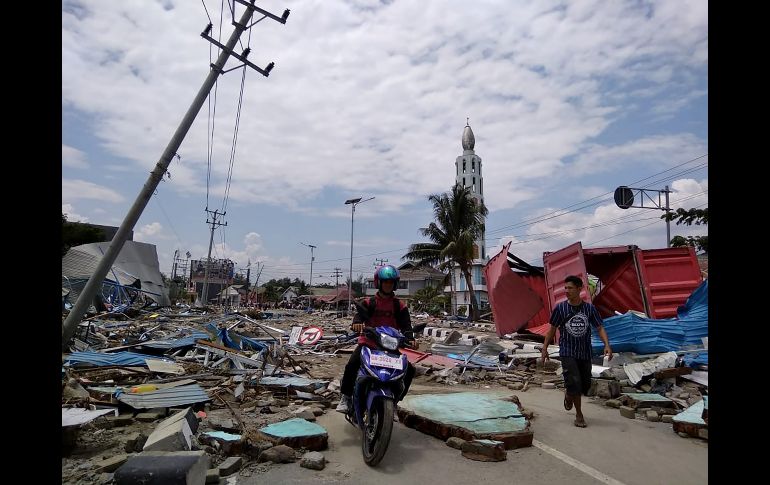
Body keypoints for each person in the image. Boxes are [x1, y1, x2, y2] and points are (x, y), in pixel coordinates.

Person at [335, 265, 416, 413]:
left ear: (395, 284)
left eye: (391, 282)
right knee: (352, 364)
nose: (388, 285)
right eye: (385, 282)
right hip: (368, 343)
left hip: (390, 347)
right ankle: (346, 397)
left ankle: (395, 402)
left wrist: (411, 338)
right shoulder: (369, 302)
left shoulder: (400, 306)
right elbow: (359, 315)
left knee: (409, 370)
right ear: (379, 283)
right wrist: (357, 324)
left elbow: (406, 326)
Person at [541, 275, 612, 428]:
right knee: (575, 381)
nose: (567, 291)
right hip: (567, 350)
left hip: (585, 352)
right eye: (565, 288)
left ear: (580, 289)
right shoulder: (560, 308)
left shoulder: (589, 309)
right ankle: (579, 414)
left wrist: (607, 345)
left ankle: (569, 393)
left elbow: (599, 327)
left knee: (585, 385)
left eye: (570, 288)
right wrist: (544, 348)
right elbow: (552, 329)